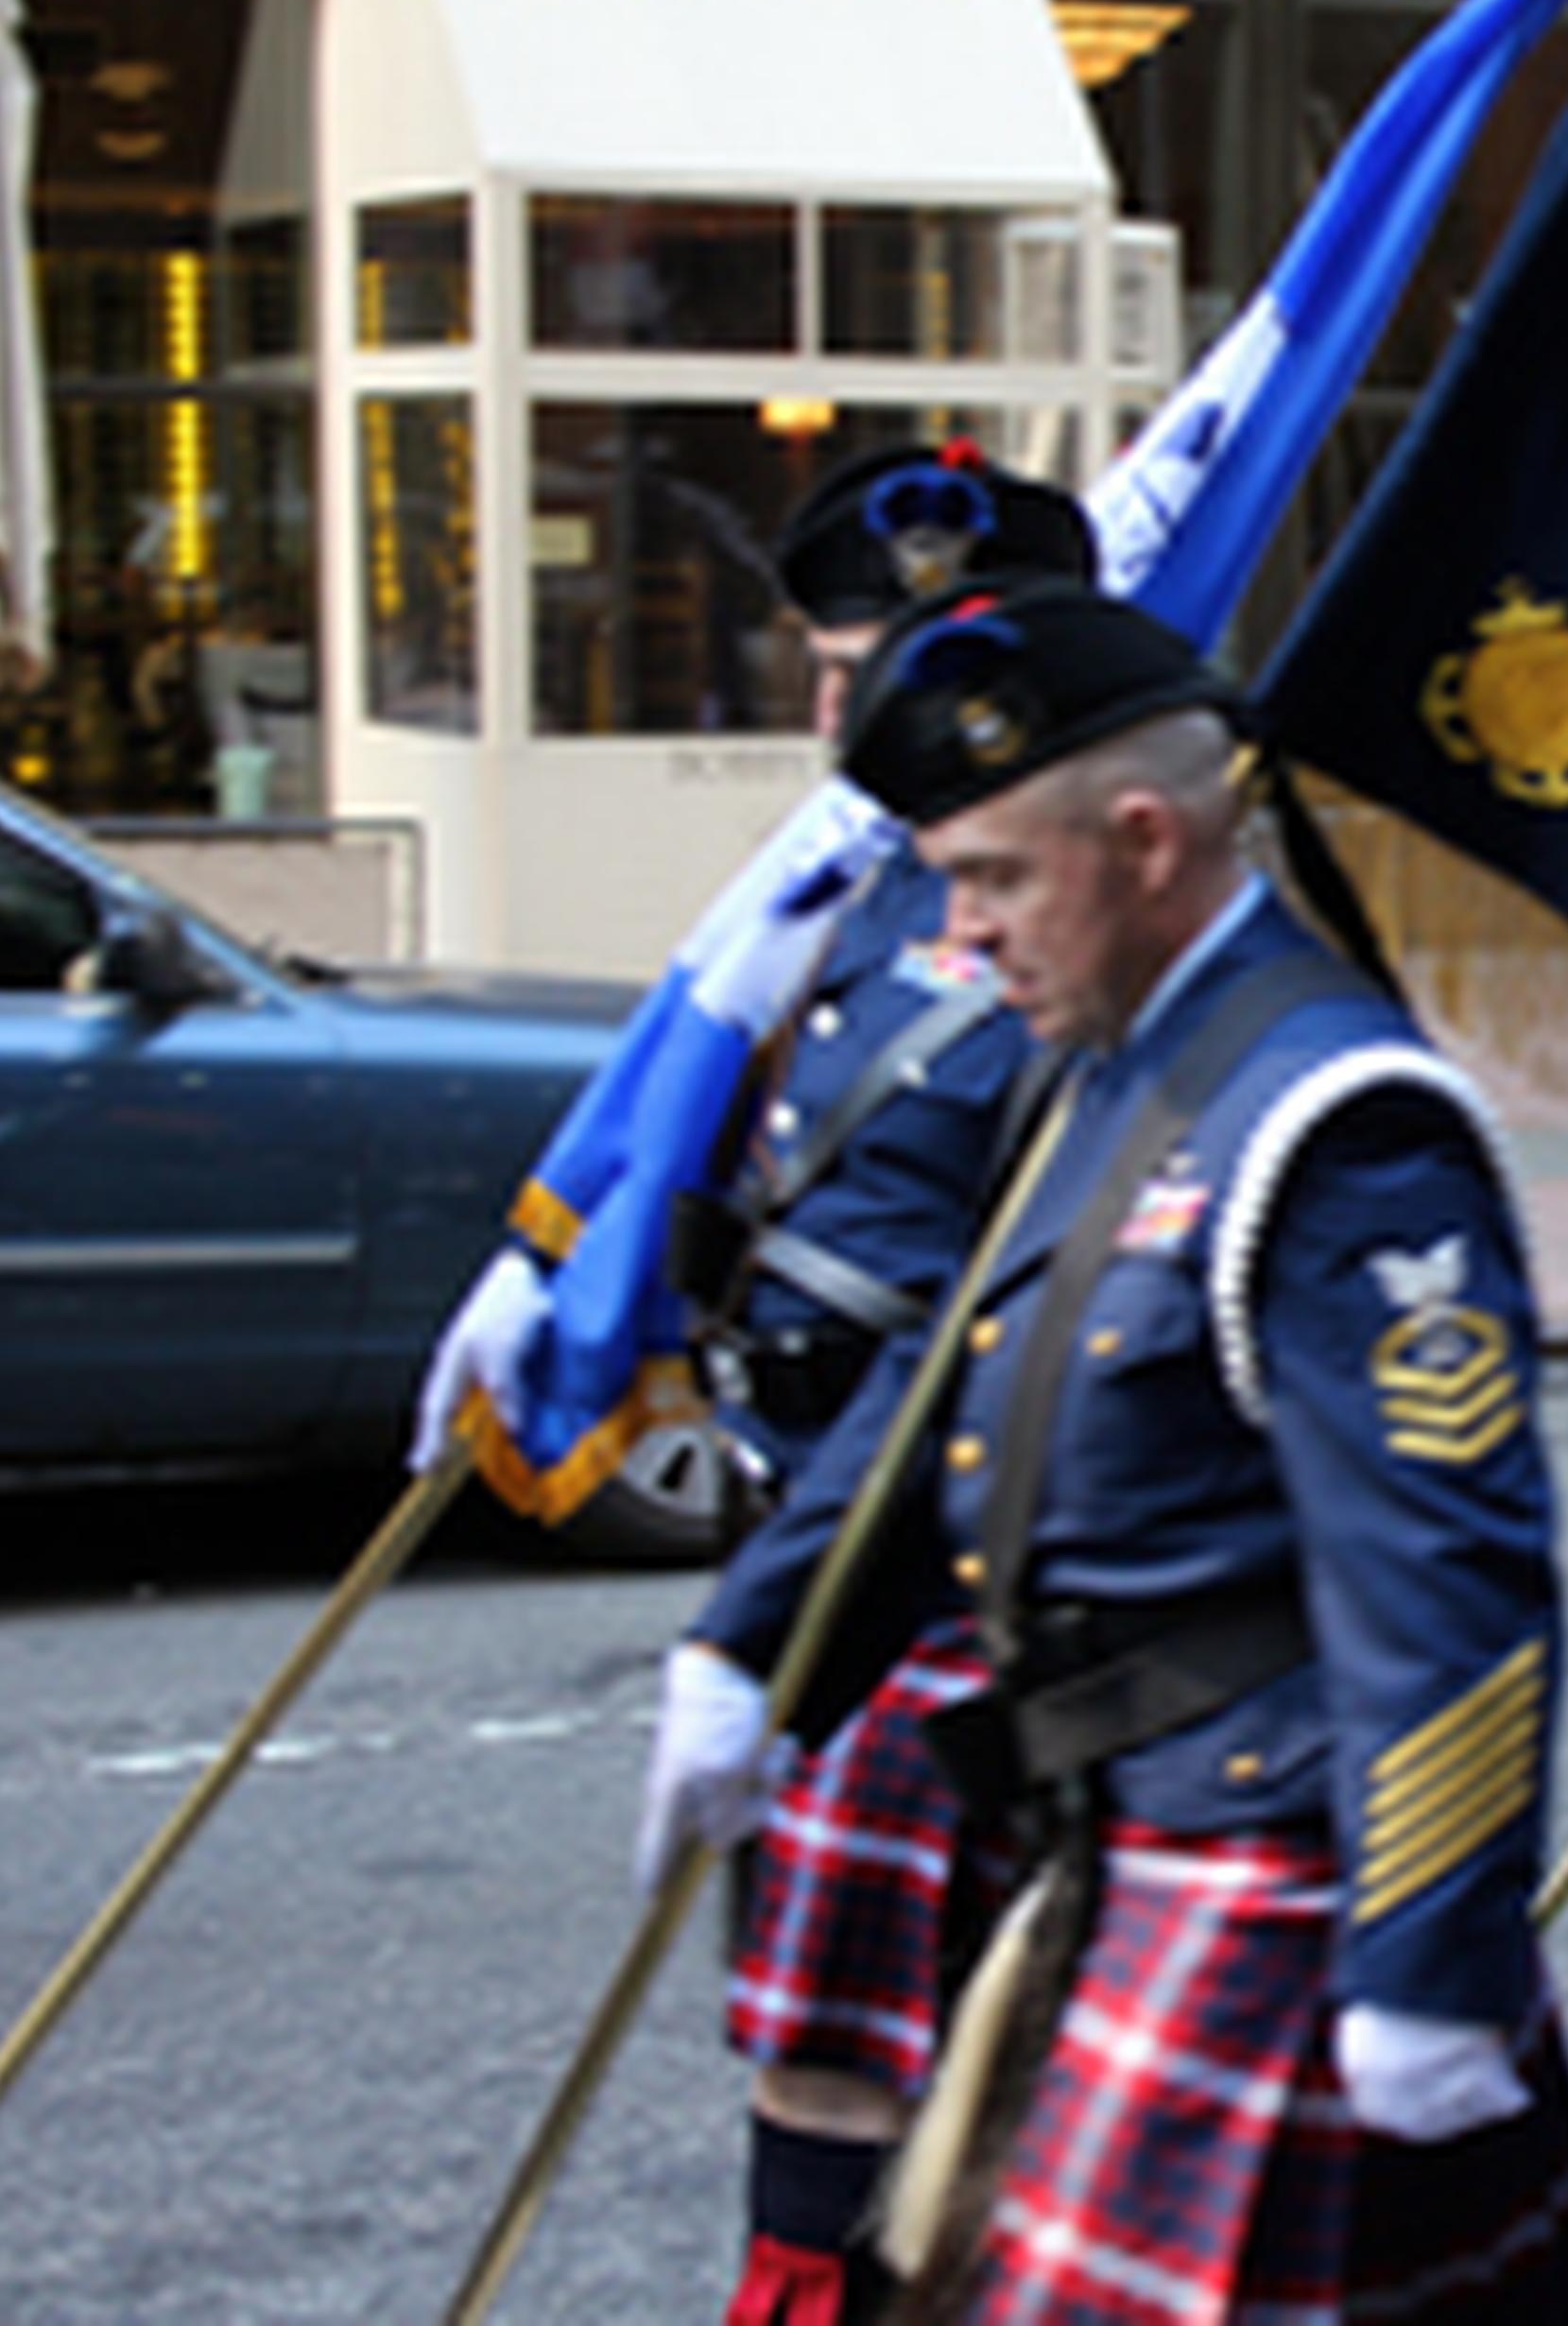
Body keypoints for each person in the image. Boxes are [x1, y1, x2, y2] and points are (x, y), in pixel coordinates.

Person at [649, 578, 1568, 2321]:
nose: (965, 932)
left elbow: (1452, 1576)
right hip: (1111, 1836)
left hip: (1276, 1864)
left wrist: (1432, 1948)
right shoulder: (1096, 1062)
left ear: (1146, 839)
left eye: (997, 878)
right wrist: (754, 1650)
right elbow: (942, 1382)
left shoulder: (1337, 1120)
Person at [427, 438, 1091, 2326]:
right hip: (822, 1534)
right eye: (821, 669)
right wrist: (565, 1278)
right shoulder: (854, 895)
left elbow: (1016, 1291)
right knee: (837, 2072)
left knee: (938, 2089)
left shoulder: (1047, 908)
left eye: (867, 666)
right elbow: (750, 1142)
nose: (834, 707)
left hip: (958, 1566)